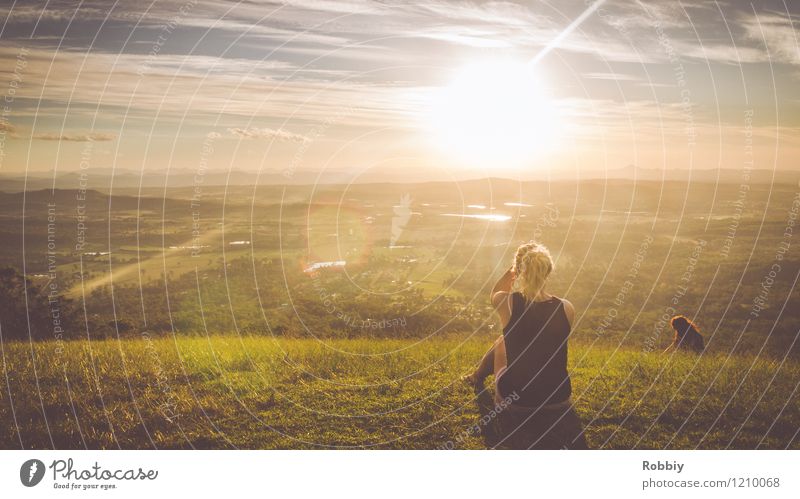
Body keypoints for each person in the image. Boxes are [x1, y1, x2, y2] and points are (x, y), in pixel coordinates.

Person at [463, 242, 588, 449]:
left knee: (502, 342)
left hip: (518, 401)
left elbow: (495, 292)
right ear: (548, 272)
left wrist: (514, 269)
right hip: (559, 399)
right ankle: (476, 376)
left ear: (522, 271)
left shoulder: (508, 303)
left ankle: (478, 378)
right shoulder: (567, 308)